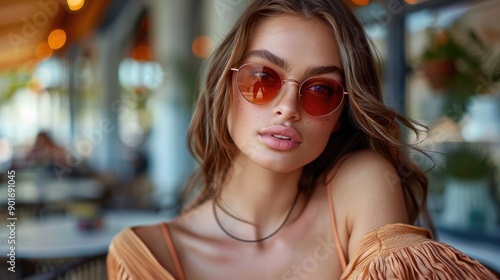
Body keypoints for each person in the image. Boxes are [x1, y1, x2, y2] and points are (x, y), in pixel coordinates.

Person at [107, 1, 496, 279]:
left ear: (340, 117)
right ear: (225, 88)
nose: (288, 108)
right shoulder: (148, 258)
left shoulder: (359, 185)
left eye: (320, 91)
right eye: (263, 79)